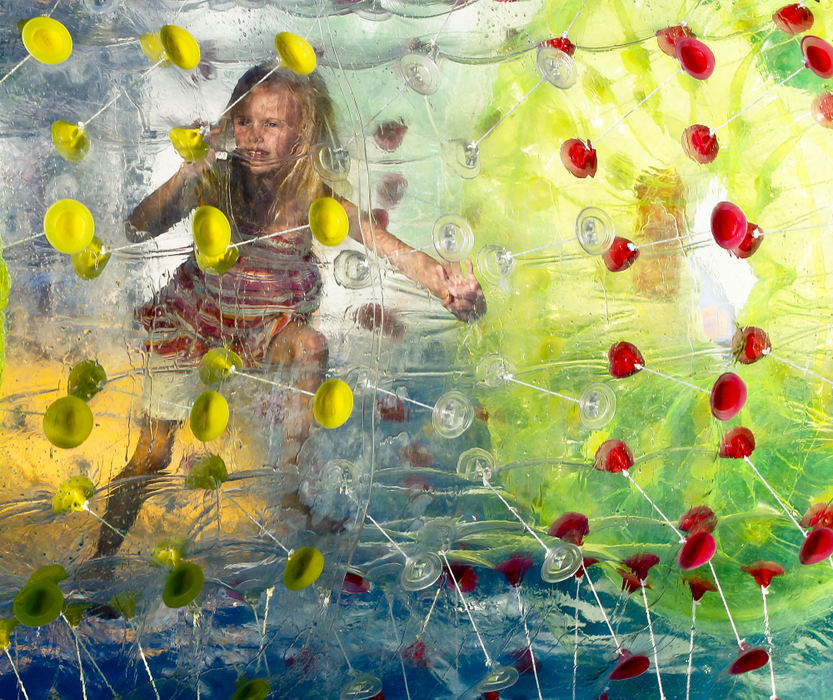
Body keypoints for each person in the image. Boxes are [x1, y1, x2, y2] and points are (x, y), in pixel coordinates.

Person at [95, 63, 486, 555]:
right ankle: (100, 560)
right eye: (244, 122)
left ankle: (290, 487)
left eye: (272, 124)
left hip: (266, 330)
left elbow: (387, 246)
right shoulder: (214, 181)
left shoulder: (312, 200)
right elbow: (137, 228)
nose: (253, 137)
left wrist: (445, 285)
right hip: (193, 327)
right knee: (153, 455)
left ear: (303, 137)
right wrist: (182, 177)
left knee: (310, 345)